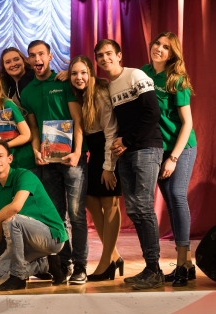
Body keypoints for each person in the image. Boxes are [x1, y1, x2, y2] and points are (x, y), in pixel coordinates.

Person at [94, 39, 164, 290]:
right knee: (134, 210)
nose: (105, 59)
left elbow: (152, 113)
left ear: (119, 55)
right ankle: (150, 268)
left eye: (109, 53)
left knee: (143, 207)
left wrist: (127, 140)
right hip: (126, 153)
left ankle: (154, 269)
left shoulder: (136, 75)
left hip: (146, 148)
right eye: (100, 56)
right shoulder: (108, 87)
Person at [20, 40, 88, 284]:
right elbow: (33, 129)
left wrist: (77, 152)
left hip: (72, 160)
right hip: (47, 161)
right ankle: (64, 263)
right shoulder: (27, 92)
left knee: (77, 214)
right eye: (32, 55)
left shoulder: (64, 82)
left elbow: (77, 120)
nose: (37, 59)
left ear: (49, 56)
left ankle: (81, 265)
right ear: (29, 60)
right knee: (57, 216)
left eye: (41, 54)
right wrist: (36, 150)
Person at [141, 32, 198, 287]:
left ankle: (183, 262)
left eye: (166, 47)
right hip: (157, 148)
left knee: (177, 196)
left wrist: (173, 157)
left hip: (181, 147)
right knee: (172, 203)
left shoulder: (177, 80)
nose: (159, 49)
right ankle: (187, 264)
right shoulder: (143, 74)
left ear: (172, 54)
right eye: (157, 44)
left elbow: (187, 123)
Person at [0, 142, 67, 291]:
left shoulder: (24, 175)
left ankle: (18, 277)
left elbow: (15, 207)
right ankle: (44, 264)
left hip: (51, 237)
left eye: (0, 156)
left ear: (10, 159)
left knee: (11, 219)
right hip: (24, 245)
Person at [66, 56, 123, 281]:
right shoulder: (82, 94)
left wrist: (109, 167)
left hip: (109, 151)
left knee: (110, 204)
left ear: (91, 72)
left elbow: (111, 131)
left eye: (83, 72)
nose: (79, 77)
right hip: (96, 153)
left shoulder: (99, 93)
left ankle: (106, 261)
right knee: (90, 200)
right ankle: (114, 256)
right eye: (74, 73)